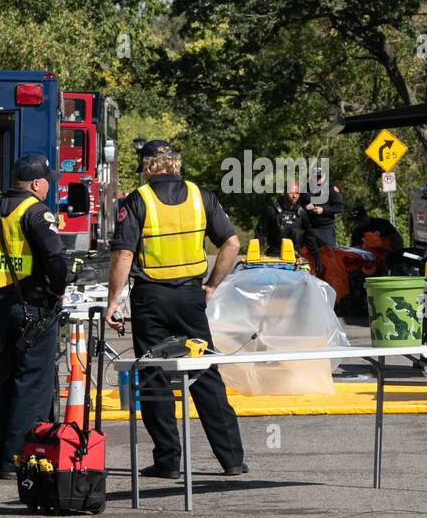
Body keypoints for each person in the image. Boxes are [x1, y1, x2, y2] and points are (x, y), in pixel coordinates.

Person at [105, 140, 245, 479]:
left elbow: (124, 254)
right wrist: (211, 284)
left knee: (154, 378)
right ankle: (232, 460)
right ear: (174, 163)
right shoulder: (202, 197)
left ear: (147, 165)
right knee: (205, 375)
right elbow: (232, 243)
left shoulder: (138, 200)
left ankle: (168, 462)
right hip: (190, 298)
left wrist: (113, 301)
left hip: (151, 299)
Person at [0, 153, 69, 479]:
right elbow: (56, 257)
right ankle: (16, 459)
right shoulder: (36, 212)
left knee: (8, 381)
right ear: (36, 183)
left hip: (5, 307)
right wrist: (58, 291)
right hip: (35, 307)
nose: (48, 185)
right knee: (32, 386)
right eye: (47, 180)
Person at [258, 181, 314, 258]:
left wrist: (316, 258)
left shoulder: (301, 212)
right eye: (291, 192)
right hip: (275, 254)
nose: (294, 196)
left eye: (297, 193)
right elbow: (260, 233)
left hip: (295, 256)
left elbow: (310, 236)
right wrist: (257, 252)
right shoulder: (272, 210)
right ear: (284, 193)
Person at [299, 165, 344, 248]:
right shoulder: (305, 189)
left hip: (325, 230)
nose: (318, 179)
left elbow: (339, 207)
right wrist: (305, 208)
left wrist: (323, 210)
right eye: (316, 176)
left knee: (328, 256)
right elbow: (297, 206)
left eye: (320, 176)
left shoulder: (331, 189)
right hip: (307, 229)